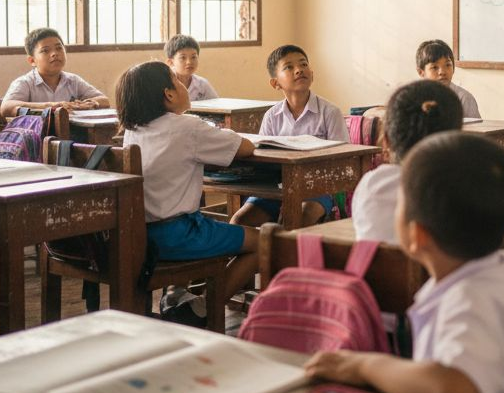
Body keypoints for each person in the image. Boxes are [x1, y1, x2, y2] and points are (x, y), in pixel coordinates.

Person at [306, 132, 504, 393]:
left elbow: (453, 391)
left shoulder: (470, 297)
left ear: (417, 235)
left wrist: (365, 367)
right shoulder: (495, 270)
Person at [117, 61, 261, 327]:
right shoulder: (187, 127)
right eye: (177, 81)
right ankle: (205, 307)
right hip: (178, 235)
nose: (183, 86)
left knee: (212, 225)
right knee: (264, 243)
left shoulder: (133, 131)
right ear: (169, 94)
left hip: (142, 236)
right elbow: (245, 148)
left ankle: (175, 295)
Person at [229, 45, 349, 228]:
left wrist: (297, 194)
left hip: (318, 189)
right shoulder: (271, 116)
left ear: (312, 74)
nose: (299, 70)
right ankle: (264, 256)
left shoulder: (330, 113)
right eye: (289, 67)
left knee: (297, 217)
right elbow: (262, 159)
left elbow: (342, 162)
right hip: (276, 189)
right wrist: (284, 195)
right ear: (275, 83)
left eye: (303, 64)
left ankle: (285, 255)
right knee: (239, 222)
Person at [353, 79, 463, 243]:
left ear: (386, 141)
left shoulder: (371, 183)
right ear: (457, 140)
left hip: (378, 269)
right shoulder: (461, 189)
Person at [1, 27, 108, 116]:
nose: (54, 54)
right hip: (38, 138)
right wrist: (50, 106)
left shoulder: (73, 80)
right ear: (32, 60)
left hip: (71, 136)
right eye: (45, 51)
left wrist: (90, 104)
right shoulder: (25, 82)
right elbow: (6, 107)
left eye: (58, 48)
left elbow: (104, 100)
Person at [415, 39, 480, 119]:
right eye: (435, 67)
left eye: (448, 65)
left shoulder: (463, 98)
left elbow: (475, 129)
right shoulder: (414, 98)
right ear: (421, 72)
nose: (442, 72)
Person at [165, 34, 219, 101]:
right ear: (170, 62)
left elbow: (217, 105)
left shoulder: (202, 84)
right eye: (183, 57)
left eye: (193, 57)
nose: (189, 62)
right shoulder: (164, 83)